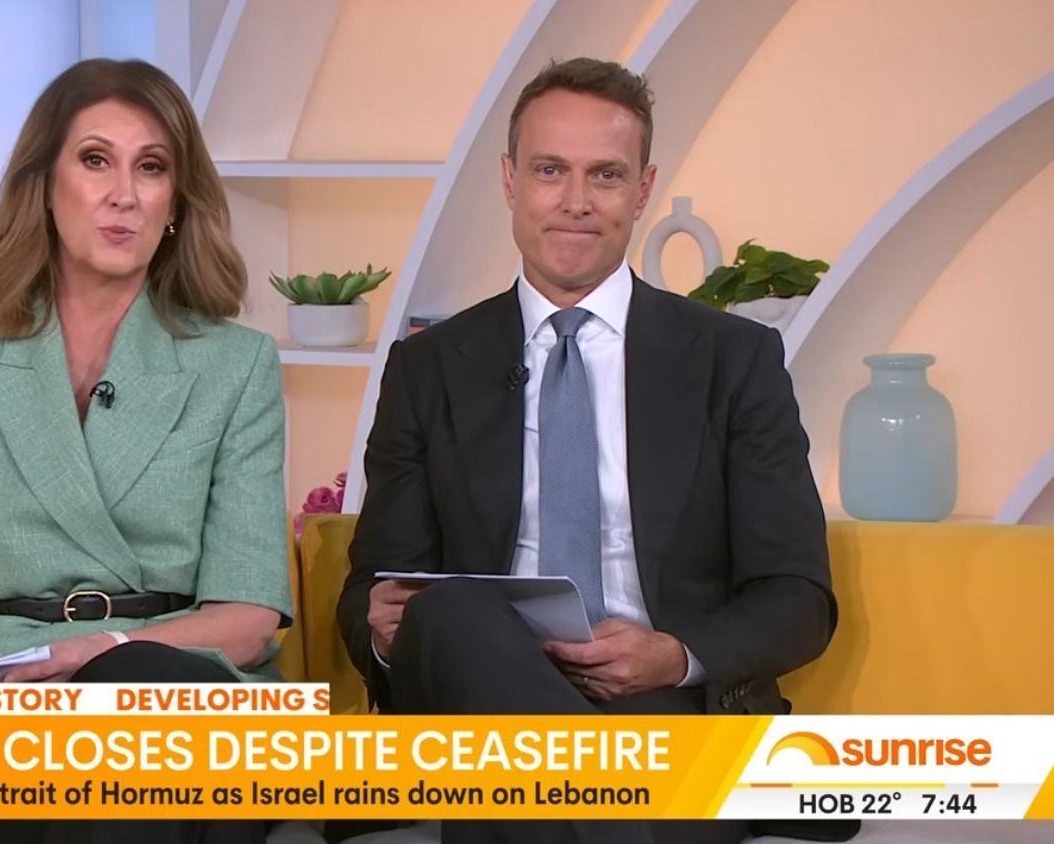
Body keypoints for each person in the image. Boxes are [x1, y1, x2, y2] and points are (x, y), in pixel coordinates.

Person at [336, 57, 853, 844]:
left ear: (643, 189)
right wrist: (379, 626)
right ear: (510, 179)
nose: (576, 202)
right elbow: (373, 585)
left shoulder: (732, 360)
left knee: (510, 785)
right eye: (550, 170)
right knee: (452, 615)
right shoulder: (429, 367)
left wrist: (674, 655)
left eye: (605, 175)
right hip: (479, 695)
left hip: (667, 709)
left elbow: (797, 597)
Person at [0, 58, 290, 844]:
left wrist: (106, 650)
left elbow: (247, 619)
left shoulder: (235, 365)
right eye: (96, 160)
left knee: (133, 701)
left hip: (180, 692)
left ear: (175, 203)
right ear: (43, 185)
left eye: (151, 168)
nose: (124, 194)